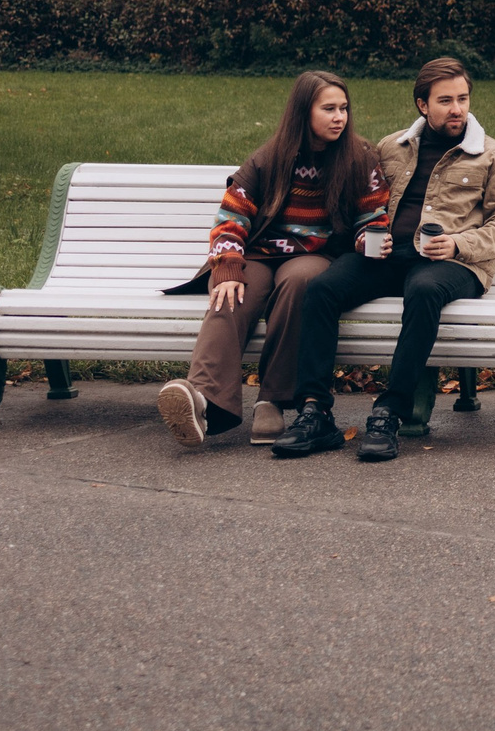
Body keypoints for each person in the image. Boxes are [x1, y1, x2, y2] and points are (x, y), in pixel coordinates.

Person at [273, 56, 495, 462]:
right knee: (321, 289)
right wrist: (365, 236)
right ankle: (315, 413)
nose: (457, 108)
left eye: (462, 98)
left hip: (454, 265)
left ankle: (390, 412)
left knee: (423, 289)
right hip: (389, 256)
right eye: (445, 100)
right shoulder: (392, 147)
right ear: (423, 105)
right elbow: (363, 204)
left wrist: (457, 245)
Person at [157, 70, 385, 448]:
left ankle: (272, 402)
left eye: (343, 108)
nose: (339, 117)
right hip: (259, 252)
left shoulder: (360, 156)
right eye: (328, 108)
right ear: (303, 112)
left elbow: (372, 216)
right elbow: (231, 218)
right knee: (231, 292)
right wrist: (228, 266)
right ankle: (199, 399)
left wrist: (367, 240)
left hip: (316, 254)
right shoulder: (269, 158)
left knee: (299, 283)